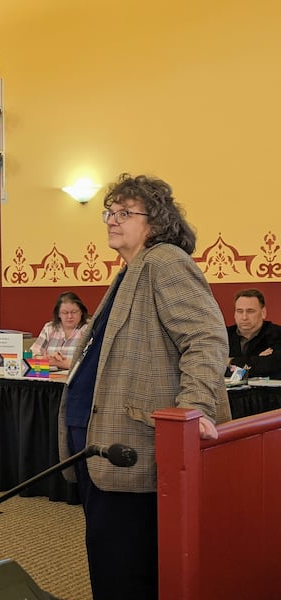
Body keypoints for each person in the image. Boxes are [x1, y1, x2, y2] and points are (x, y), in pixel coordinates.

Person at [58, 173, 231, 600]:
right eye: (109, 213)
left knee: (126, 567)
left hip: (136, 445)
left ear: (153, 222)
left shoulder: (166, 261)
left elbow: (205, 338)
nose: (111, 221)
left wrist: (195, 408)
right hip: (102, 443)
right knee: (108, 557)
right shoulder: (129, 272)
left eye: (124, 213)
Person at [225, 288, 281, 379]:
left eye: (250, 311)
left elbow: (269, 366)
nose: (244, 317)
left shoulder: (277, 334)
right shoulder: (222, 336)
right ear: (234, 314)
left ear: (263, 313)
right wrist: (257, 359)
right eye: (239, 311)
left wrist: (229, 361)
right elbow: (212, 369)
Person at [29, 291, 91, 369]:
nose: (69, 316)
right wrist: (47, 358)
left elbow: (88, 364)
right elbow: (31, 355)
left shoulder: (89, 330)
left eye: (74, 312)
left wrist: (56, 362)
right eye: (65, 313)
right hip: (49, 376)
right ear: (58, 314)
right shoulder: (49, 328)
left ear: (81, 312)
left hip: (75, 378)